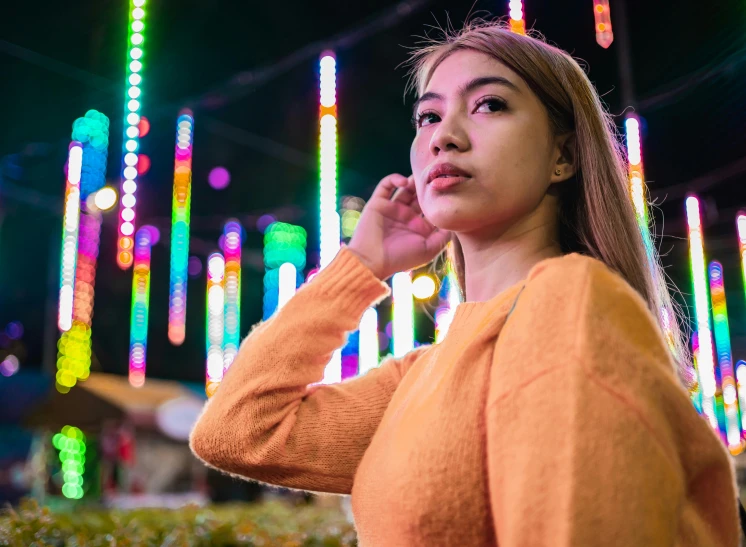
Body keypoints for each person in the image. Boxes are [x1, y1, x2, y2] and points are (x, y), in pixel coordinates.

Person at [190, 19, 739, 546]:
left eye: (489, 105)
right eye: (428, 117)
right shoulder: (421, 375)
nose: (444, 138)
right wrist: (360, 265)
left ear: (563, 155)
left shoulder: (572, 304)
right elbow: (237, 430)